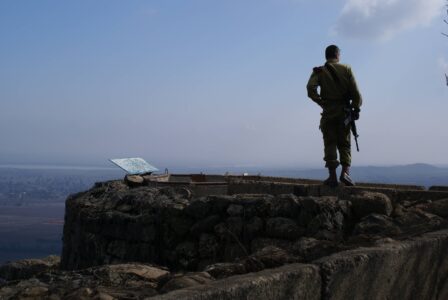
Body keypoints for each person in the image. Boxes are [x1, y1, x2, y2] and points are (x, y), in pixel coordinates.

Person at [306, 45, 362, 187]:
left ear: (326, 56)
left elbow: (310, 88)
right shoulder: (346, 69)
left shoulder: (320, 71)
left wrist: (321, 102)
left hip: (328, 113)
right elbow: (356, 94)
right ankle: (345, 174)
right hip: (344, 113)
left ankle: (332, 177)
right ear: (337, 55)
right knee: (344, 143)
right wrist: (356, 107)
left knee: (329, 143)